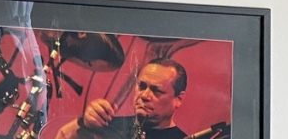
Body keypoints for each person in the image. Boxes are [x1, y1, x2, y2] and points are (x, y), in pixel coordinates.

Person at [55, 58, 188, 139]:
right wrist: (83, 124)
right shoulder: (107, 126)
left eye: (156, 90)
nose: (144, 95)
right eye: (141, 86)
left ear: (178, 99)